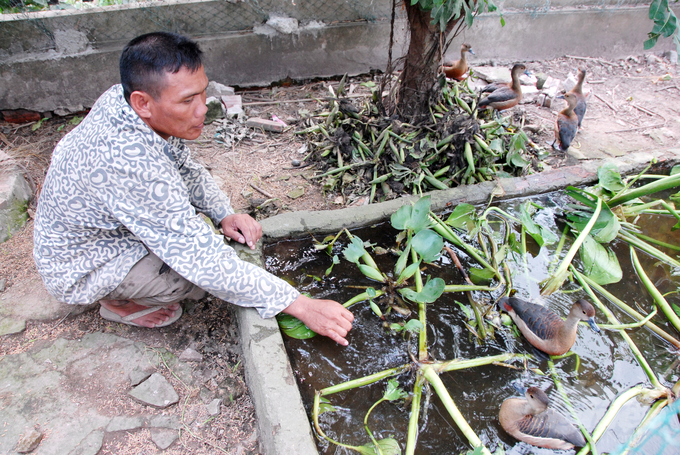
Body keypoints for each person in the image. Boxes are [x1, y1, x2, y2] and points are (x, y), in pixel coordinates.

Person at [33, 32, 354, 345]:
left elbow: (184, 166)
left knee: (206, 239)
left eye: (202, 92)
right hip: (82, 264)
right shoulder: (130, 163)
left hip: (104, 227)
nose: (202, 109)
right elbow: (200, 261)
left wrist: (223, 213)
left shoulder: (127, 100)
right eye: (187, 100)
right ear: (142, 102)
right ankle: (116, 303)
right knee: (191, 283)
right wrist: (300, 304)